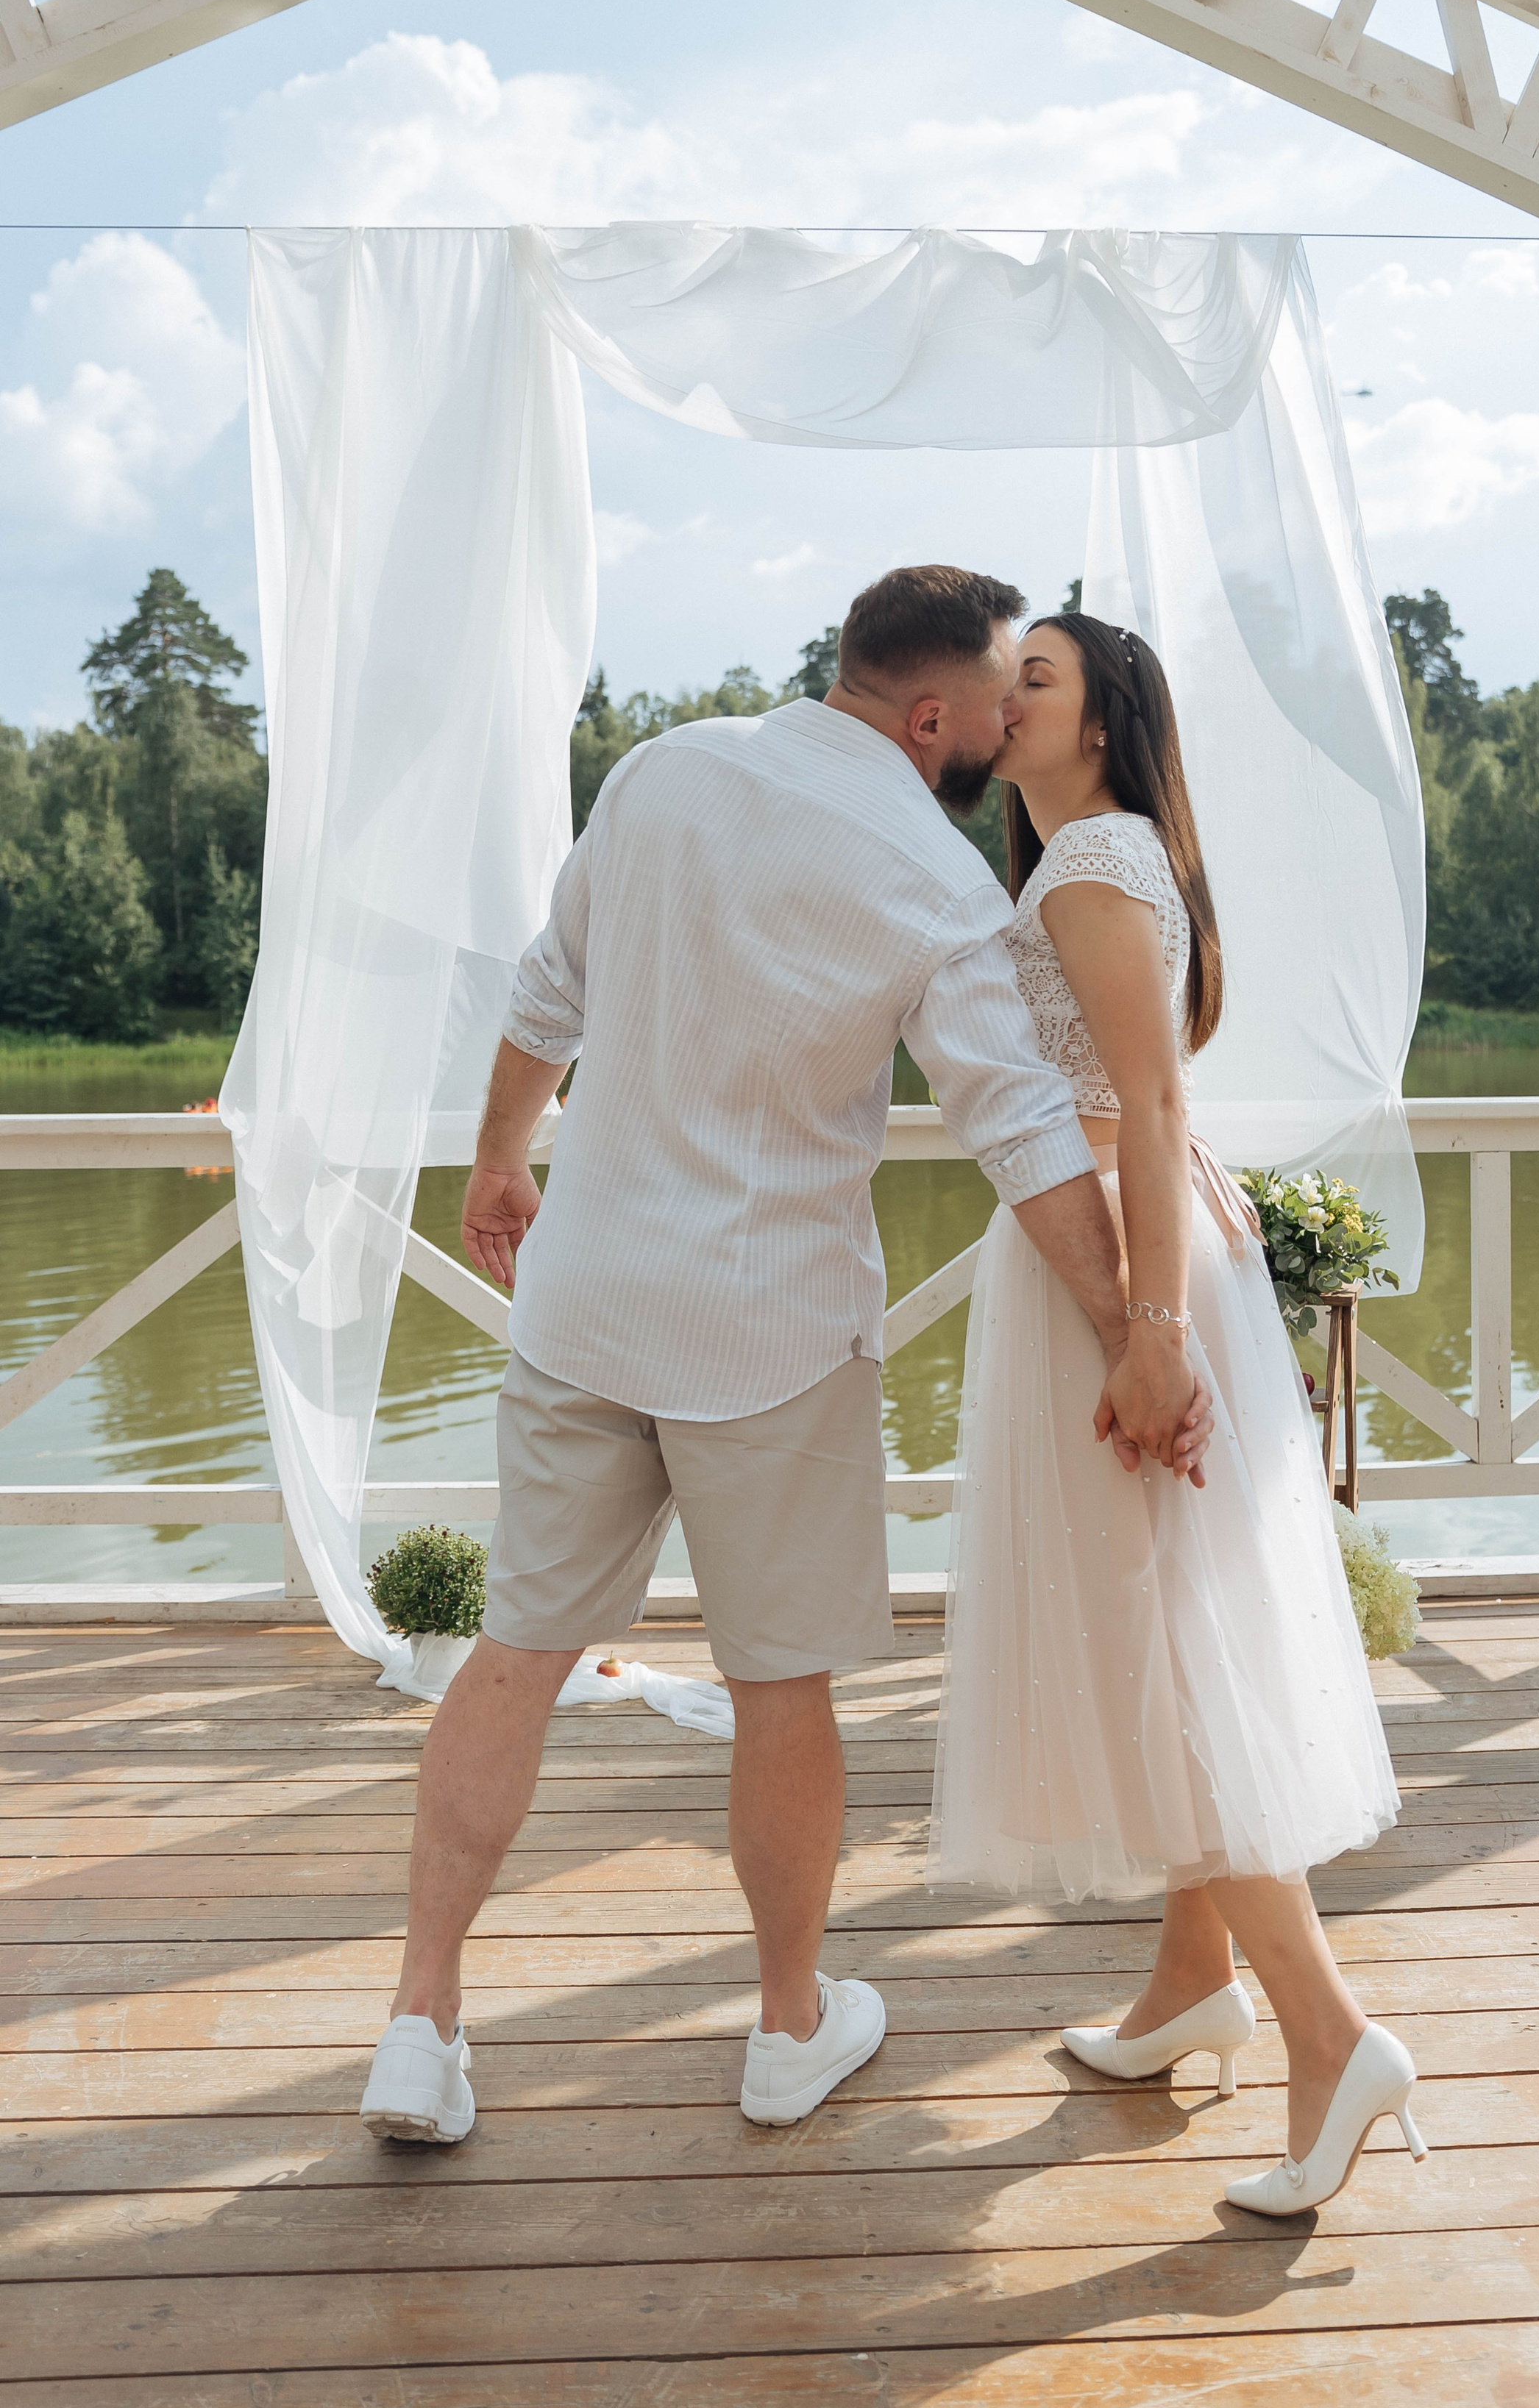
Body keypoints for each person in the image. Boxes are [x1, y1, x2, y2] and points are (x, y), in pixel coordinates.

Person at [358, 566, 1212, 2145]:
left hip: (587, 1305)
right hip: (771, 1332)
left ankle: (418, 2019)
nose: (999, 730)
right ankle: (786, 2026)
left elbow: (549, 991)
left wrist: (497, 1160)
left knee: (517, 1654)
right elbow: (1021, 1128)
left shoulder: (664, 768)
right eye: (992, 703)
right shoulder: (933, 882)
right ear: (935, 714)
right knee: (778, 1690)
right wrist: (1132, 1335)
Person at [926, 613, 1422, 2218]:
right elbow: (1147, 1097)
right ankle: (1184, 1989)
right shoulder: (1096, 856)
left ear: (1103, 714)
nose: (1004, 699)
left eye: (1036, 679)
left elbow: (1144, 1099)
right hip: (1122, 1242)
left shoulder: (1088, 867)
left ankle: (1328, 2033)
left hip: (1122, 1267)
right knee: (1168, 1622)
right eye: (999, 678)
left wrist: (1146, 1332)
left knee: (1168, 1653)